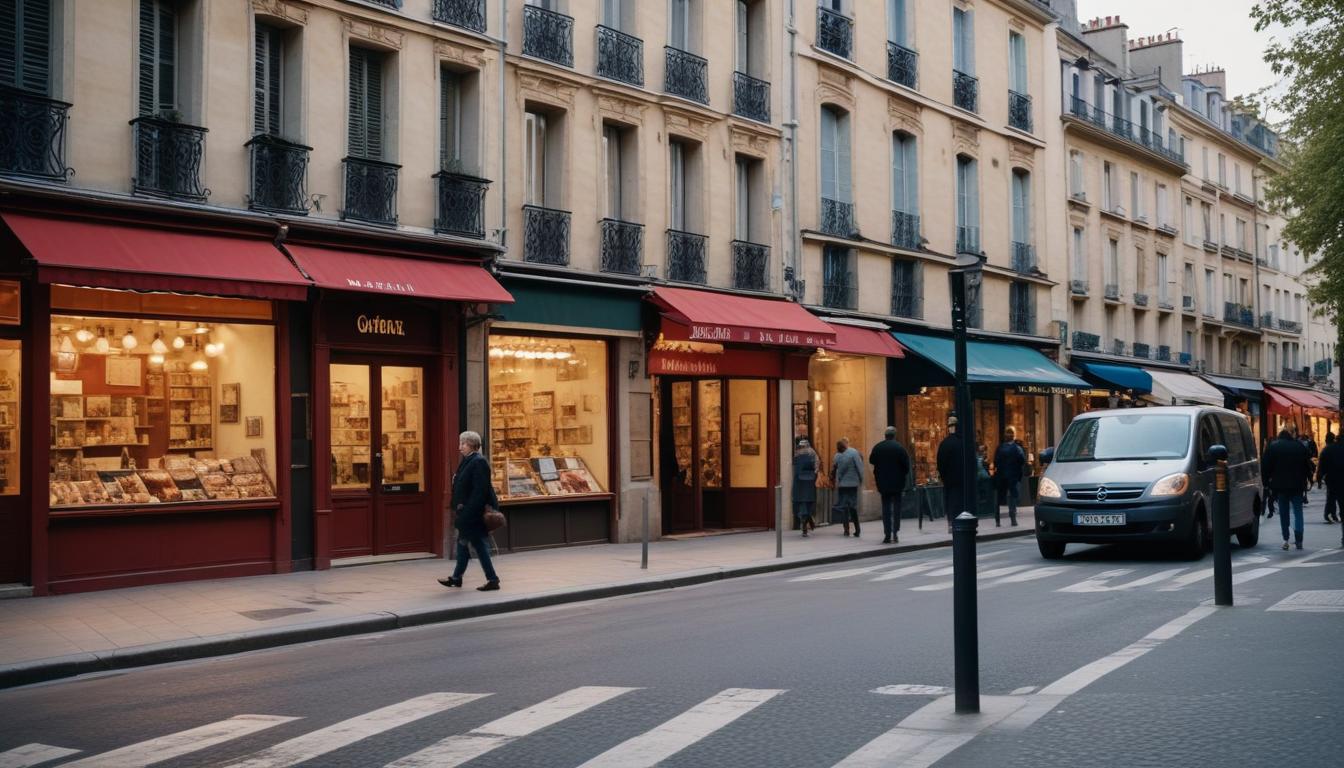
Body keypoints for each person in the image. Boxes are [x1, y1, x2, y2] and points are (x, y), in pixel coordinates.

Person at [439, 431, 501, 590]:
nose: (459, 447)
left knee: (478, 546)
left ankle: (492, 579)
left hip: (473, 514)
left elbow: (480, 491)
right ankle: (457, 577)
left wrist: (468, 512)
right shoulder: (468, 460)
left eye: (462, 444)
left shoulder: (479, 462)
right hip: (467, 512)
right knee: (463, 544)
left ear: (472, 445)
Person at [1261, 426, 1313, 550]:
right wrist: (1308, 480)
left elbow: (1265, 467)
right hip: (1297, 485)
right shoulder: (1299, 446)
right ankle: (1299, 539)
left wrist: (1266, 484)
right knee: (1298, 511)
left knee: (1284, 513)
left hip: (1280, 486)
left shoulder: (1273, 447)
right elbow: (1307, 466)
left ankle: (1286, 539)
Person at [869, 426, 911, 544]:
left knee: (886, 508)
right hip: (897, 483)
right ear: (894, 435)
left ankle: (887, 534)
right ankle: (895, 532)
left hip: (883, 483)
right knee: (897, 507)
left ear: (885, 435)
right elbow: (906, 467)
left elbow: (871, 460)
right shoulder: (900, 448)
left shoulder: (878, 447)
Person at [993, 426, 1028, 527]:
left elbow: (995, 462)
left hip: (1001, 476)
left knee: (998, 499)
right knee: (1012, 497)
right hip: (1013, 477)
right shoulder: (1017, 448)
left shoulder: (1000, 448)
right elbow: (1022, 461)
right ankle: (1013, 519)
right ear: (1013, 436)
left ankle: (997, 521)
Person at [936, 416, 965, 533]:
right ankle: (960, 521)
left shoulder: (944, 443)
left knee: (950, 500)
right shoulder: (963, 442)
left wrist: (943, 476)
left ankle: (951, 523)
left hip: (949, 478)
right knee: (960, 500)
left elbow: (940, 462)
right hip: (961, 477)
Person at [831, 438, 864, 536]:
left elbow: (835, 469)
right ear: (846, 444)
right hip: (853, 484)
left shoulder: (837, 455)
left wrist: (837, 480)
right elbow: (859, 467)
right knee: (853, 506)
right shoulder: (854, 453)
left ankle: (846, 530)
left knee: (844, 507)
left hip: (842, 485)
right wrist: (861, 479)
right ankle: (857, 529)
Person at [792, 438, 819, 536]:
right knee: (809, 502)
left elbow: (794, 467)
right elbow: (817, 466)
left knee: (801, 502)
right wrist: (814, 475)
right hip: (809, 481)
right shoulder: (812, 453)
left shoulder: (796, 454)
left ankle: (804, 523)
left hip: (799, 482)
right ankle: (808, 518)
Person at [1315, 431, 1344, 524]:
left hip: (1331, 477)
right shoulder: (1341, 448)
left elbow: (1321, 466)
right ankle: (1339, 514)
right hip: (1341, 476)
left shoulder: (1326, 450)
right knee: (1341, 497)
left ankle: (1329, 513)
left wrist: (1319, 478)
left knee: (1331, 496)